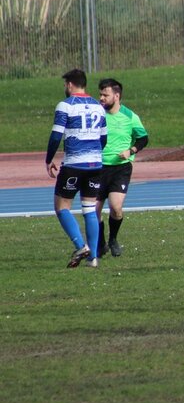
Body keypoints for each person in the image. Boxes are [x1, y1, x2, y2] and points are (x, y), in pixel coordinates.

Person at [46, 69, 107, 268]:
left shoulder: (65, 105)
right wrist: (94, 154)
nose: (65, 88)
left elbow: (56, 135)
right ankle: (93, 258)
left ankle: (81, 246)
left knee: (61, 207)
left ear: (70, 84)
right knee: (89, 209)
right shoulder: (98, 107)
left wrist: (49, 159)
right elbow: (103, 138)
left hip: (74, 164)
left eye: (65, 84)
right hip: (95, 164)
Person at [95, 78, 148, 258]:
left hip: (120, 168)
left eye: (105, 95)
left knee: (116, 208)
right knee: (94, 210)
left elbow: (143, 138)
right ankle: (101, 244)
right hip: (97, 167)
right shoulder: (96, 114)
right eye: (100, 94)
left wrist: (131, 150)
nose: (101, 98)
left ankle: (113, 240)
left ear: (116, 96)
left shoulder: (130, 117)